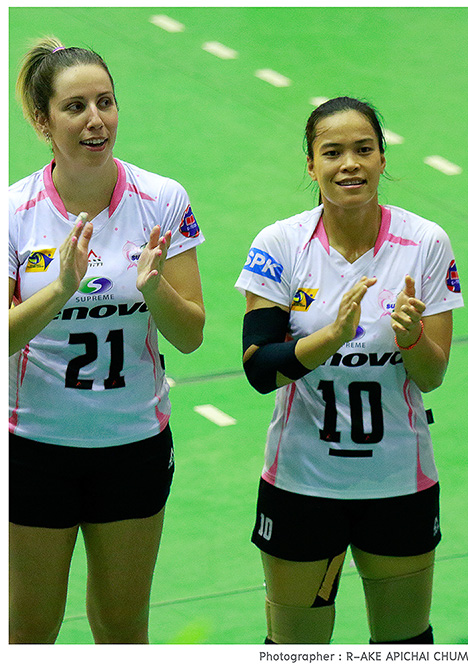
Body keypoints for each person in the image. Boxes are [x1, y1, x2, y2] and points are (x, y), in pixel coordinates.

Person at [236, 96, 463, 645]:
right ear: (311, 165)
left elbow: (431, 376)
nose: (350, 165)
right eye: (332, 152)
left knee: (405, 644)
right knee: (294, 646)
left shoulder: (426, 242)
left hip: (397, 482)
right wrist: (331, 337)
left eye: (364, 149)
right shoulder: (281, 243)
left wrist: (411, 338)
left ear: (383, 158)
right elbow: (259, 367)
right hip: (302, 482)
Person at [9, 37, 206, 643]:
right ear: (43, 122)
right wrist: (59, 289)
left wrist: (154, 288)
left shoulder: (163, 199)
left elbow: (191, 335)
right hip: (34, 447)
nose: (95, 120)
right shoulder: (14, 211)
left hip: (133, 444)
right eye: (75, 107)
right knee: (30, 629)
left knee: (122, 626)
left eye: (106, 102)